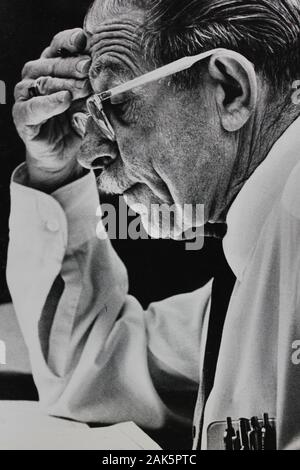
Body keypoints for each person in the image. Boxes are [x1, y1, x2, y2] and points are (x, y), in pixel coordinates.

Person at [7, 0, 300, 449]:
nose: (89, 155)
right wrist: (54, 173)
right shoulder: (253, 256)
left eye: (115, 105)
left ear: (229, 90)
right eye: (90, 115)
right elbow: (96, 371)